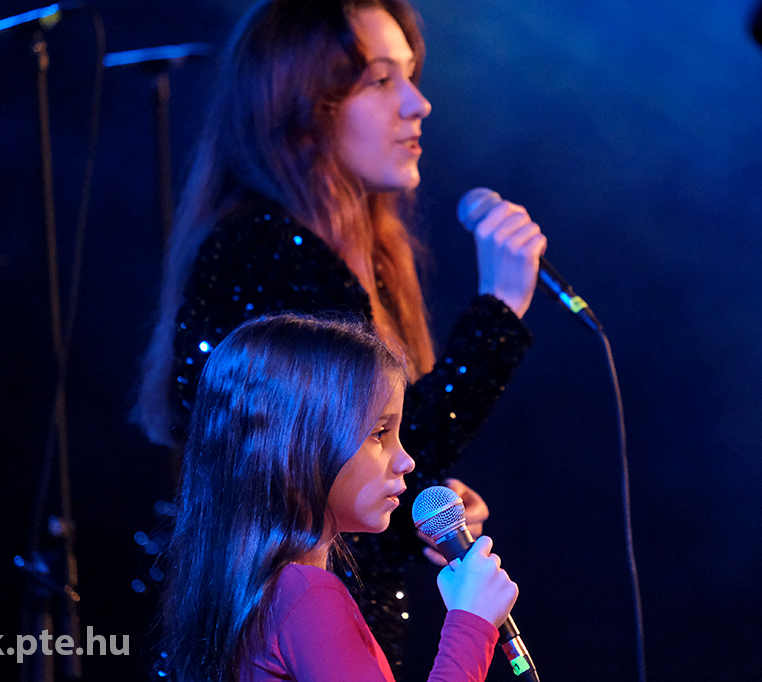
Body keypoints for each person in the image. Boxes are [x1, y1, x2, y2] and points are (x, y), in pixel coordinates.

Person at [135, 0, 545, 666]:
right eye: (380, 80)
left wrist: (418, 508)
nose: (417, 104)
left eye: (410, 76)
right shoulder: (260, 252)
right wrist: (498, 312)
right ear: (300, 108)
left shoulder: (363, 257)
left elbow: (350, 460)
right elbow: (287, 472)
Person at [166, 314, 519, 682]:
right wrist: (471, 624)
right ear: (299, 447)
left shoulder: (251, 586)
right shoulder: (306, 595)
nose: (406, 460)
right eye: (380, 434)